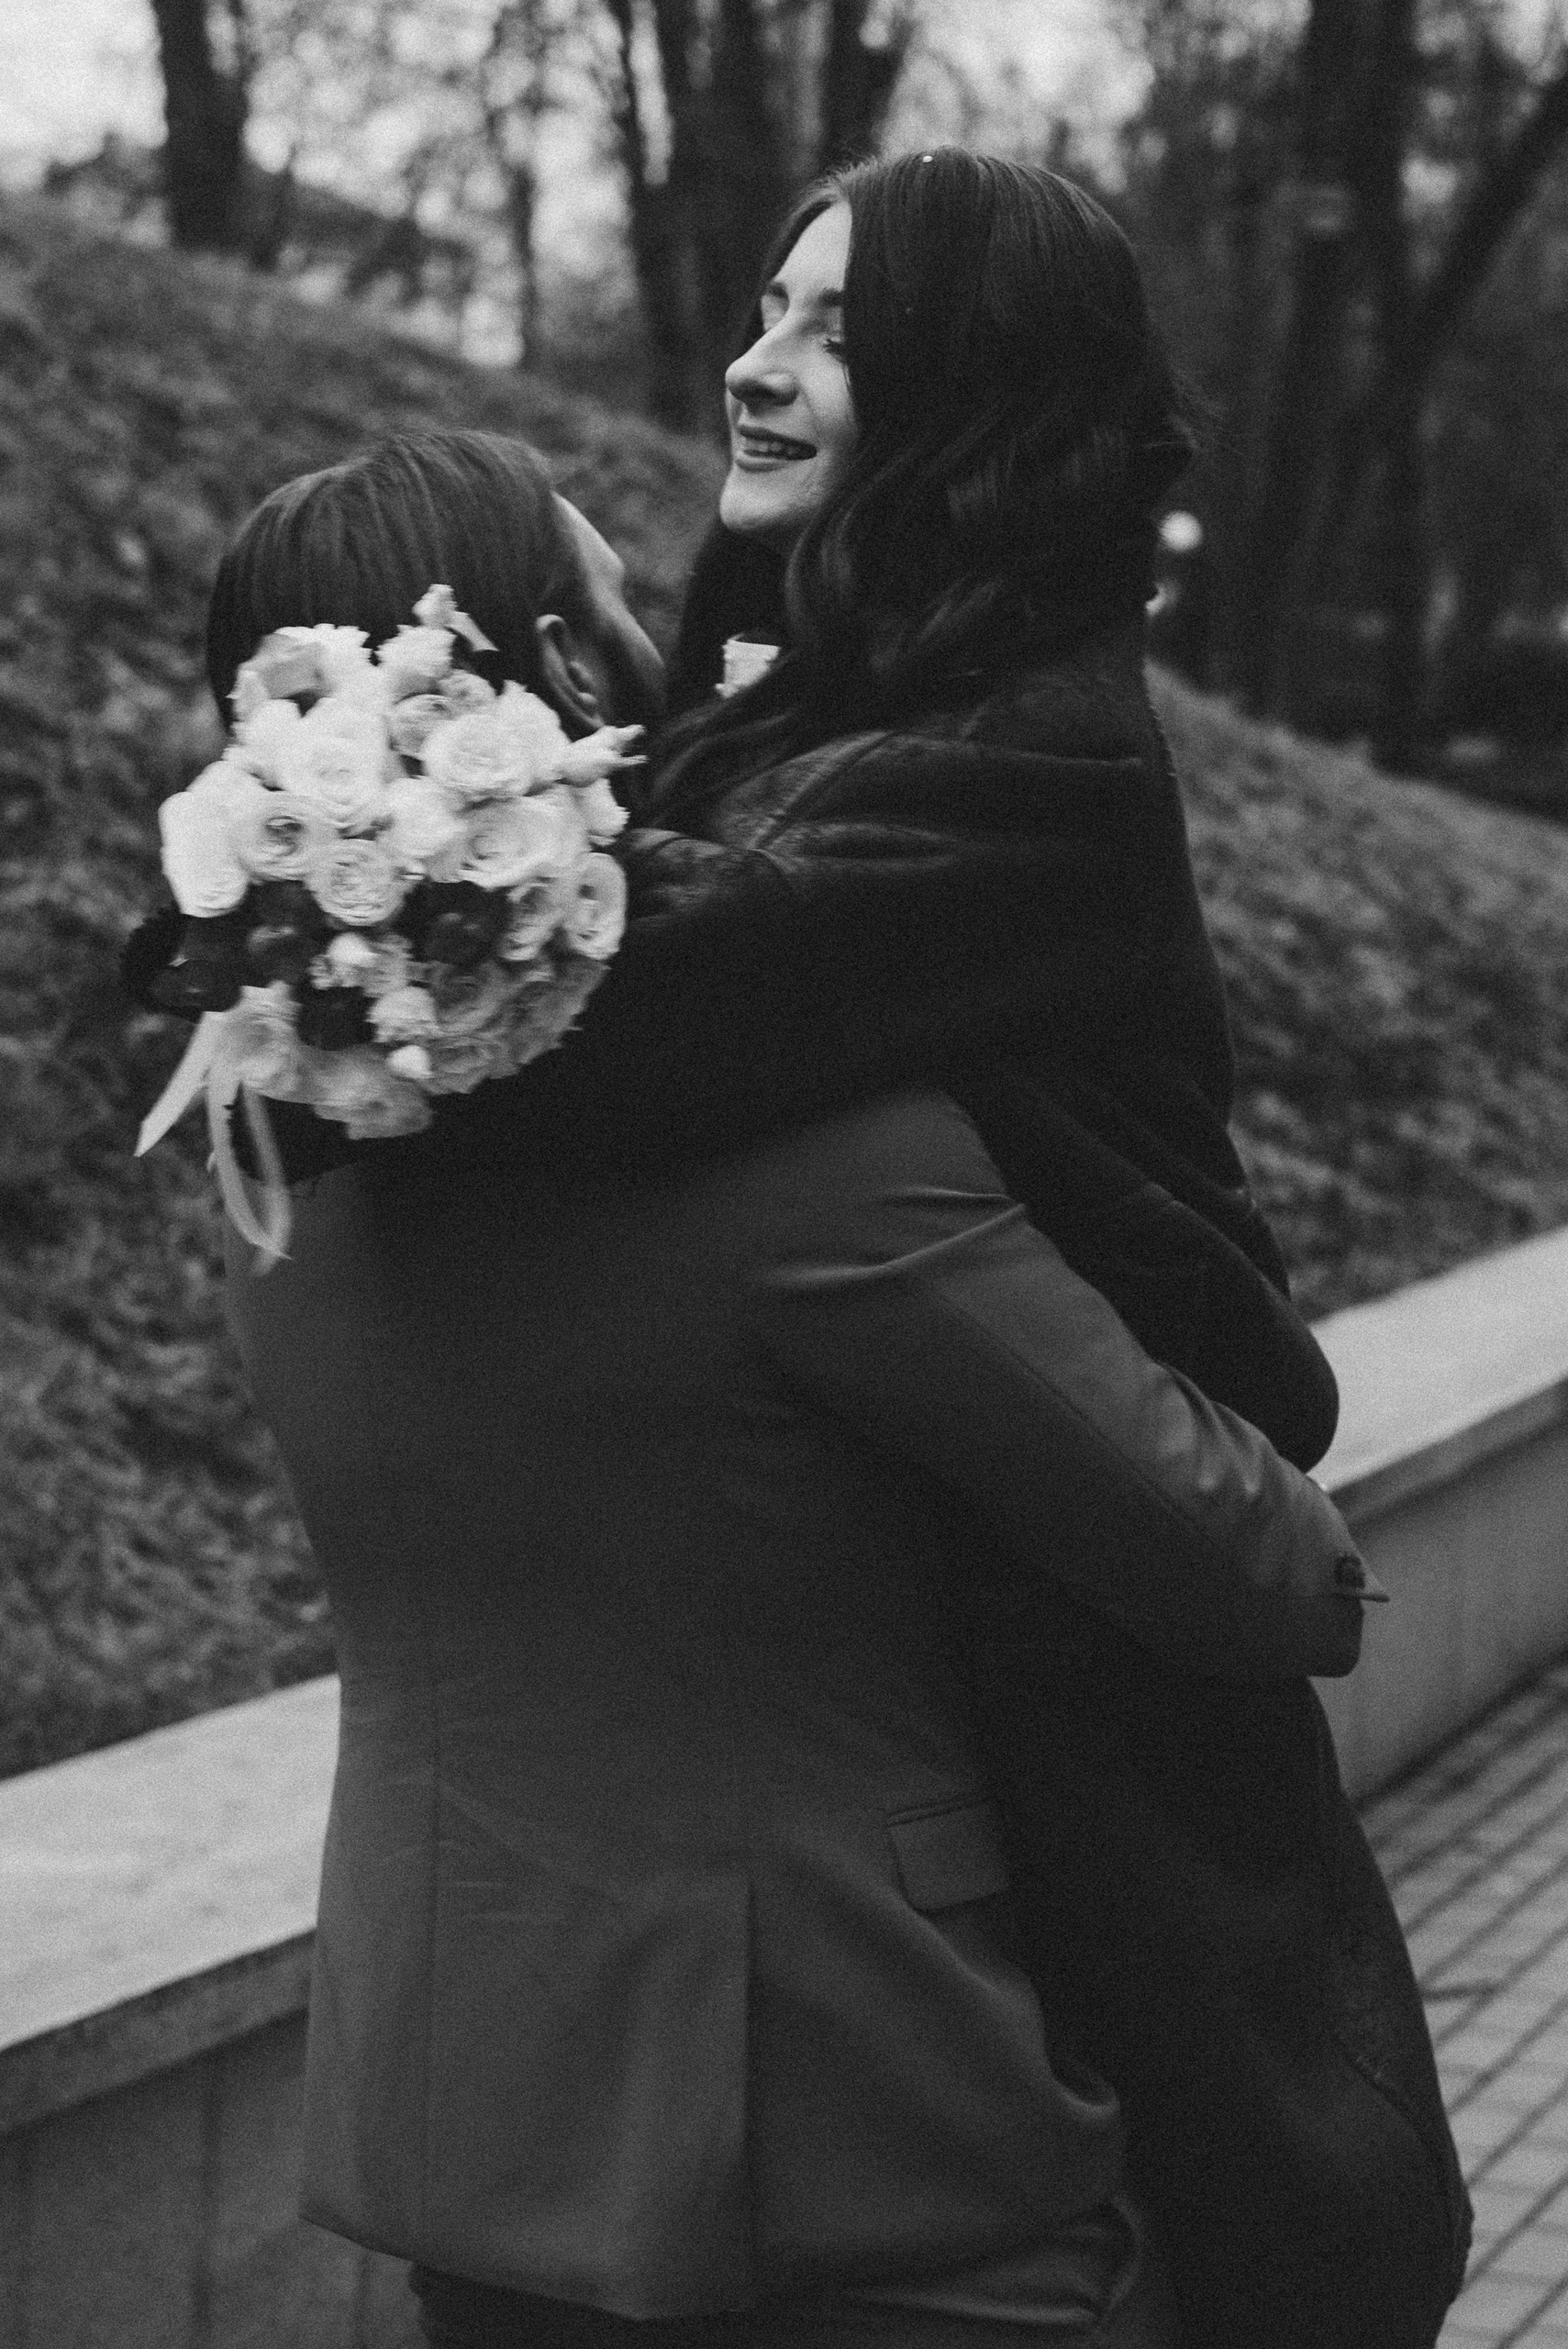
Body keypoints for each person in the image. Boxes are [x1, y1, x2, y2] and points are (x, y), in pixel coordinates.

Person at [188, 435, 1376, 2349]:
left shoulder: (270, 1150)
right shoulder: (809, 1156)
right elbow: (1251, 1566)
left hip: (457, 2110)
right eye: (619, 605)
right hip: (851, 2128)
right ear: (555, 680)